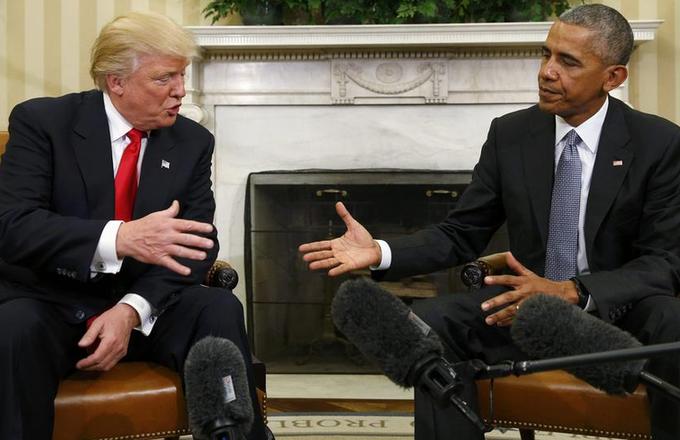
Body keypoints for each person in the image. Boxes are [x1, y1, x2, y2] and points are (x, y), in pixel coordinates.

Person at [299, 4, 680, 440]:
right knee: (433, 321)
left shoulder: (658, 143)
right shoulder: (511, 134)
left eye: (568, 62)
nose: (547, 71)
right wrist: (380, 252)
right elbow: (461, 233)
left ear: (613, 77)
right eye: (546, 54)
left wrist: (574, 290)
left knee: (672, 319)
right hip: (524, 311)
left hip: (616, 312)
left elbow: (664, 262)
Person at [0, 11, 270, 440]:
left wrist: (131, 310)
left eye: (182, 75)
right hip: (53, 304)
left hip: (145, 308)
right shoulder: (43, 123)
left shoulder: (192, 141)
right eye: (164, 78)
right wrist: (120, 238)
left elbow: (197, 244)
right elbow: (14, 226)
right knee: (13, 325)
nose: (180, 91)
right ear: (117, 82)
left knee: (218, 308)